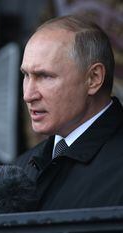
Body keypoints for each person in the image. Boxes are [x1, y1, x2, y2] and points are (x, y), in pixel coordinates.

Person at [17, 14, 123, 210]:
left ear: (93, 78)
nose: (28, 95)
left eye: (44, 76)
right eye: (26, 75)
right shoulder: (18, 172)